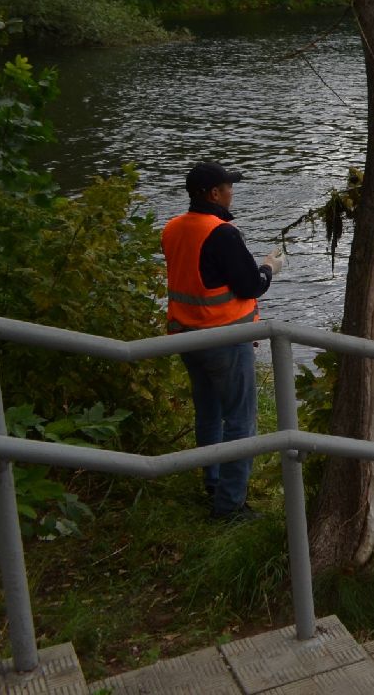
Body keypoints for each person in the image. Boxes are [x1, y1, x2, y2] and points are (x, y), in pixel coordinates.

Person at [161, 161, 283, 522]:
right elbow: (250, 285)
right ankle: (230, 506)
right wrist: (269, 268)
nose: (233, 192)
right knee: (241, 421)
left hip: (185, 337)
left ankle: (213, 481)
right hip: (224, 340)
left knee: (209, 413)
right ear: (214, 193)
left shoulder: (172, 228)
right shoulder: (222, 233)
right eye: (229, 186)